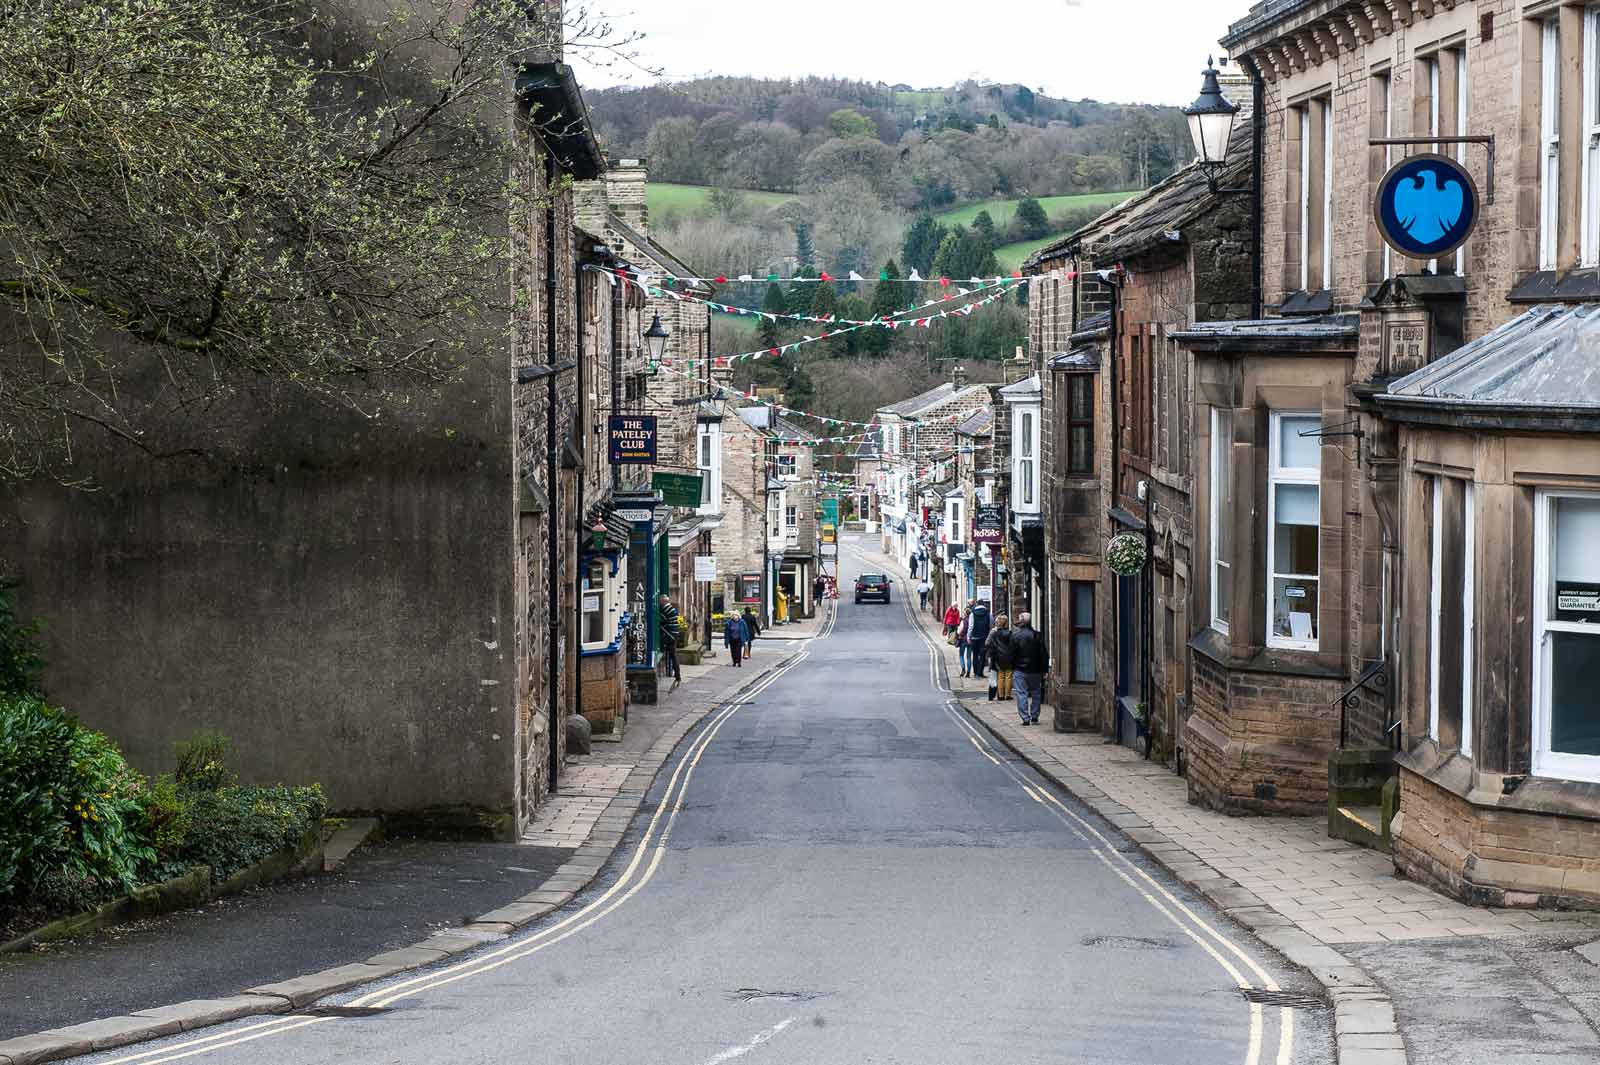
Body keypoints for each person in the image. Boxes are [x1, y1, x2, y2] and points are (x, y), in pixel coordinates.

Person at [1010, 611, 1050, 726]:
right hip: (1035, 670)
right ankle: (1035, 716)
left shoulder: (1015, 636)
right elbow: (1043, 654)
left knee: (1021, 693)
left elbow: (1011, 654)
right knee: (1036, 693)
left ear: (1021, 621)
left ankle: (1025, 718)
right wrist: (1045, 670)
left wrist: (1012, 667)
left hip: (1020, 670)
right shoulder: (1038, 635)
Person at [986, 614, 1015, 702]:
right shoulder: (1010, 633)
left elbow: (991, 645)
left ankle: (1001, 695)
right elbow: (1013, 645)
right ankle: (1008, 695)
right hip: (1009, 657)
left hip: (998, 657)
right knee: (1009, 676)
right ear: (1006, 623)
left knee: (1000, 676)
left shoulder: (995, 633)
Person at [658, 594, 683, 691]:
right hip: (673, 635)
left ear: (664, 602)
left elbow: (662, 620)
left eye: (660, 602)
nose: (659, 604)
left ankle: (677, 675)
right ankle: (675, 674)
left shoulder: (666, 609)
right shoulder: (672, 609)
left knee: (672, 654)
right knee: (673, 655)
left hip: (670, 635)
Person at [967, 598, 993, 680]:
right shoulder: (989, 614)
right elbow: (991, 626)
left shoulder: (972, 614)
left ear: (977, 604)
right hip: (984, 638)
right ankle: (980, 673)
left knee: (975, 655)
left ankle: (975, 673)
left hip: (974, 638)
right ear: (984, 605)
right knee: (982, 655)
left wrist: (968, 636)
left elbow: (970, 627)